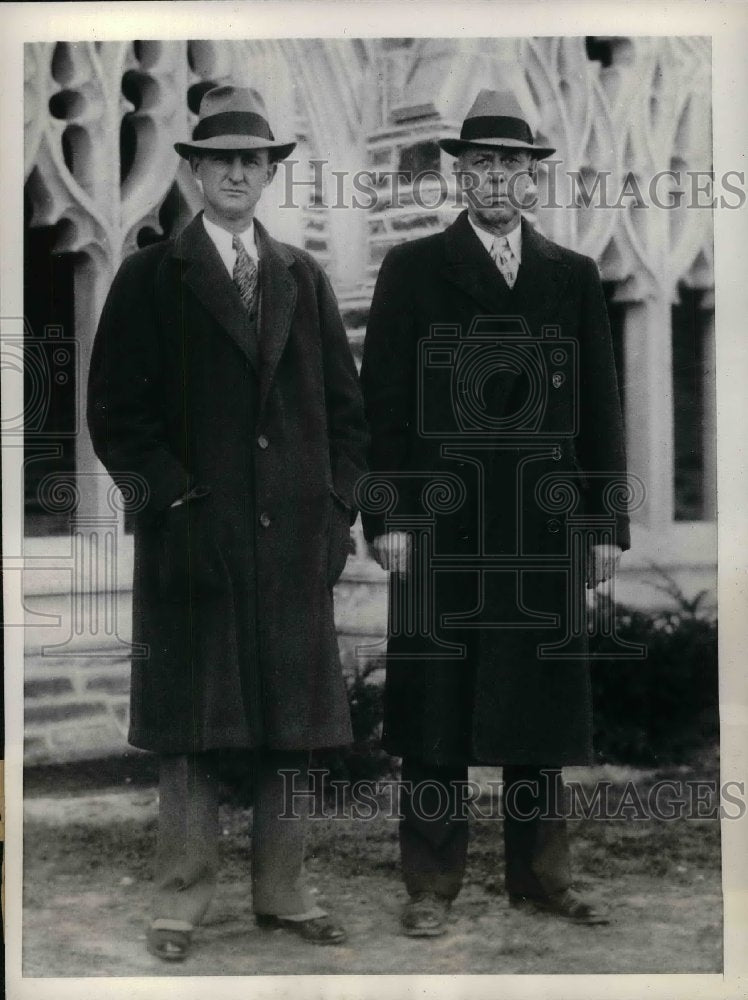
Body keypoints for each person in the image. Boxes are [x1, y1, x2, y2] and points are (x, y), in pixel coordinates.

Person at [88, 85, 368, 960]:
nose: (239, 173)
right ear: (197, 172)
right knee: (192, 730)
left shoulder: (302, 276)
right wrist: (171, 502)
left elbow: (346, 413)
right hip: (192, 537)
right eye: (223, 160)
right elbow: (115, 414)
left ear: (268, 172)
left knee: (293, 726)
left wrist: (337, 509)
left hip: (294, 543)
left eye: (255, 160)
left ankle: (284, 896)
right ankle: (181, 904)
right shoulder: (149, 276)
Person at [360, 89, 630, 937]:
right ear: (459, 173)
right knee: (434, 707)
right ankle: (430, 886)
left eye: (512, 164)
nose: (497, 178)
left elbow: (600, 411)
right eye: (481, 163)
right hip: (442, 525)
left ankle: (541, 876)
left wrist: (604, 524)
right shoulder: (412, 270)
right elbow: (384, 410)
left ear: (530, 177)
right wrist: (387, 519)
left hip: (543, 526)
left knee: (539, 709)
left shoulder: (572, 277)